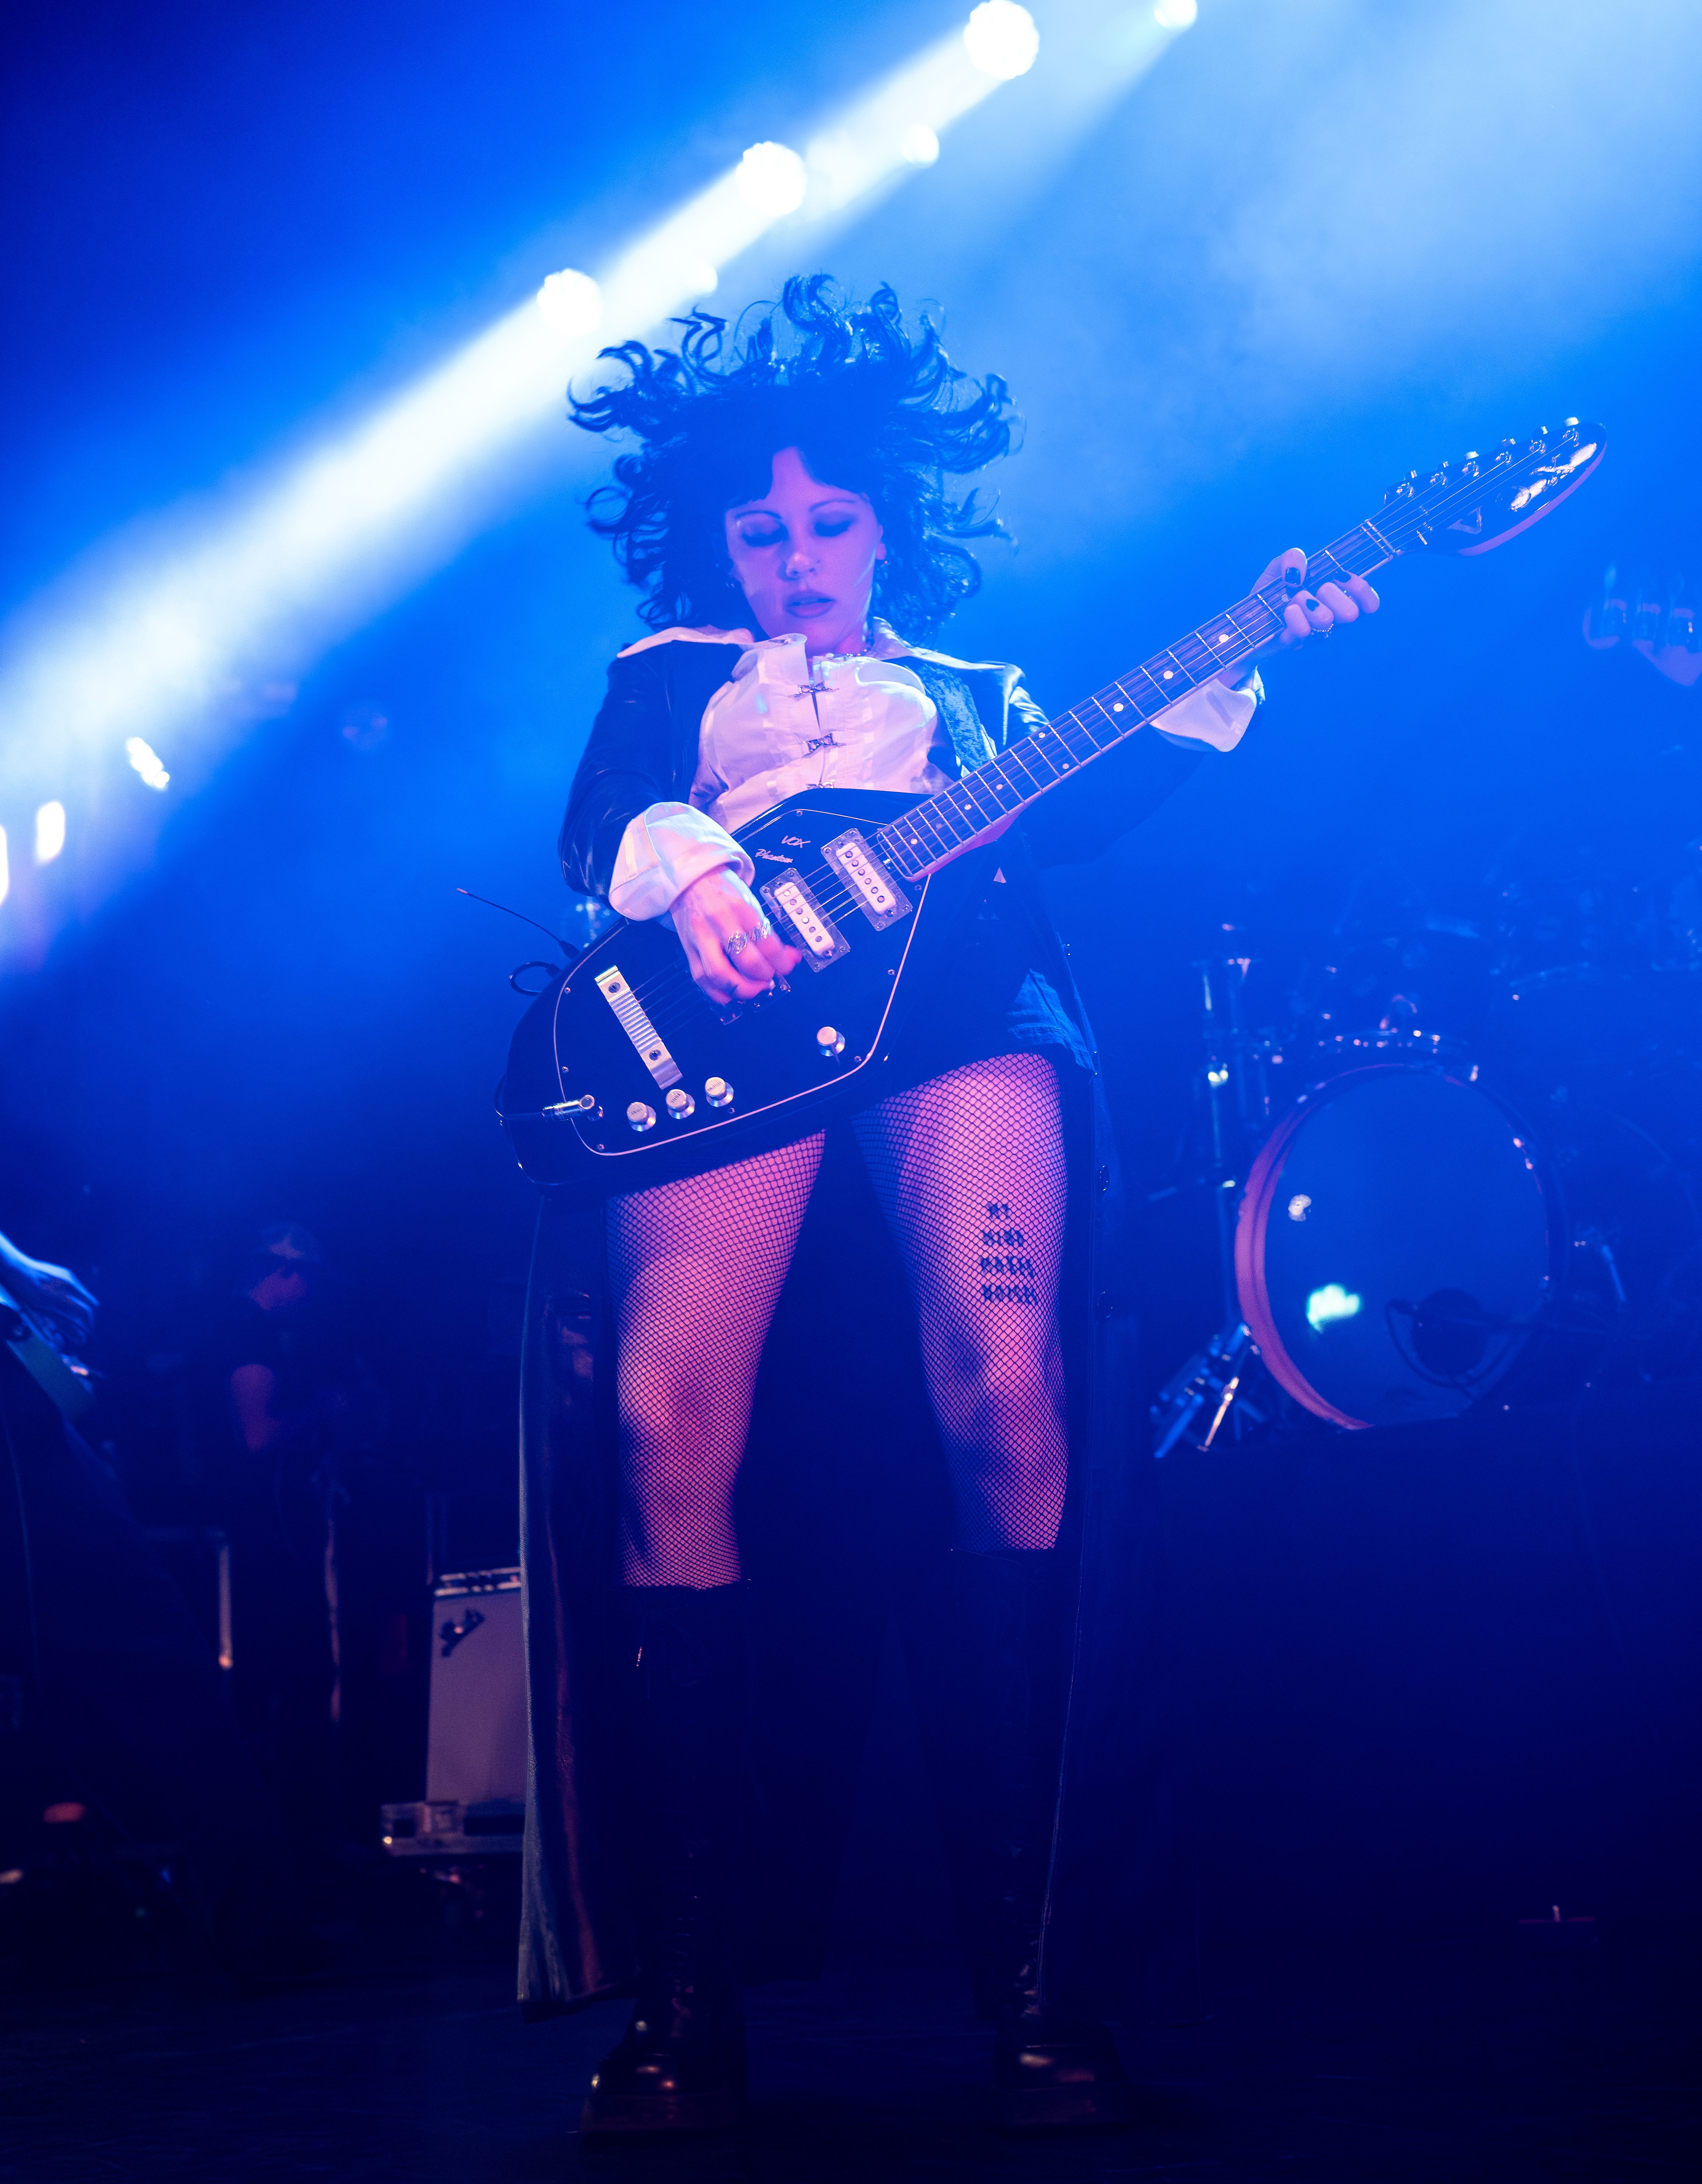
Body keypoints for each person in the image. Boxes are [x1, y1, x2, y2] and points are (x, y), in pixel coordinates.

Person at [518, 278, 1378, 2134]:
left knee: (1007, 1397)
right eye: (763, 530)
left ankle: (1048, 1984)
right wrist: (695, 880)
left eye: (830, 523)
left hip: (961, 1008)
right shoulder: (667, 677)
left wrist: (1259, 640)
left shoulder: (979, 701)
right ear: (715, 538)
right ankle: (688, 1994)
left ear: (888, 525)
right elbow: (602, 822)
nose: (797, 558)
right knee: (666, 1416)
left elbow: (1086, 812)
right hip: (734, 1028)